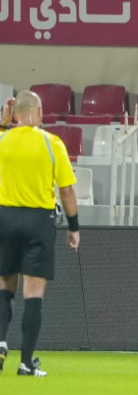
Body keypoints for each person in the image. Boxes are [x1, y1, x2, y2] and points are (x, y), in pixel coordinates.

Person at [0, 93, 80, 377]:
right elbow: (67, 190)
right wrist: (74, 228)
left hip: (4, 218)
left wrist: (2, 124)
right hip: (38, 221)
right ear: (40, 111)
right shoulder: (51, 143)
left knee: (4, 286)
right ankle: (25, 362)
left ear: (15, 114)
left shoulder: (2, 140)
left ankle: (0, 343)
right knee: (33, 293)